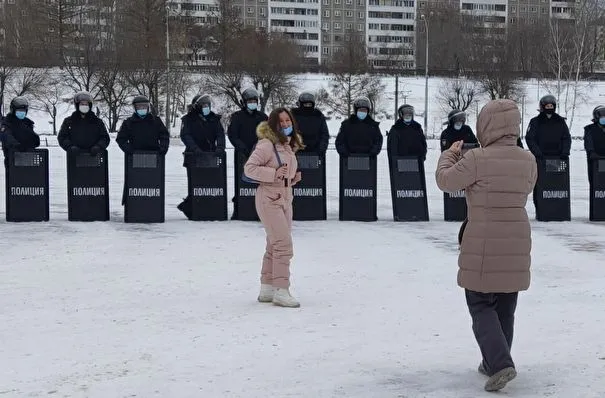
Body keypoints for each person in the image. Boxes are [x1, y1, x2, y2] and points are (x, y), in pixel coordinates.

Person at [435, 99, 537, 392]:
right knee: (506, 303)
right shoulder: (528, 159)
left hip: (483, 240)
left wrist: (448, 156)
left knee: (480, 303)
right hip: (517, 239)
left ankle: (500, 362)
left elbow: (446, 181)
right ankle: (493, 360)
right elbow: (527, 186)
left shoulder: (477, 158)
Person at [243, 107, 305, 308]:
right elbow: (249, 169)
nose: (286, 125)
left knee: (273, 244)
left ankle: (267, 288)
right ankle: (281, 289)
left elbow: (282, 173)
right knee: (283, 244)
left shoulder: (287, 145)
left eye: (288, 121)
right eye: (281, 122)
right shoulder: (266, 145)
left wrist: (292, 178)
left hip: (285, 198)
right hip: (269, 199)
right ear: (273, 124)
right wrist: (274, 174)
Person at [177, 94, 226, 218]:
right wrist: (195, 149)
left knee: (210, 183)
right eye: (204, 105)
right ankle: (191, 207)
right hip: (193, 156)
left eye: (208, 105)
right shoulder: (188, 119)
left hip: (211, 156)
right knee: (195, 185)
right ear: (197, 107)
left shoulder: (214, 119)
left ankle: (209, 207)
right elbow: (185, 135)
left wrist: (220, 147)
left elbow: (220, 134)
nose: (206, 108)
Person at [116, 95, 170, 205]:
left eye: (144, 106)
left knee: (152, 183)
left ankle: (151, 205)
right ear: (135, 108)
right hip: (135, 158)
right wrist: (129, 150)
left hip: (153, 158)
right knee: (136, 183)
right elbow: (121, 139)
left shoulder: (156, 121)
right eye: (139, 106)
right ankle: (133, 204)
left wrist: (163, 148)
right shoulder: (129, 122)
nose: (142, 109)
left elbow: (164, 135)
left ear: (148, 107)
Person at [227, 87, 269, 219]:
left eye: (254, 101)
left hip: (260, 155)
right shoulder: (237, 117)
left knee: (260, 184)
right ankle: (239, 208)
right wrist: (243, 148)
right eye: (250, 101)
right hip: (242, 154)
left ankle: (261, 209)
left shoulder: (263, 117)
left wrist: (260, 148)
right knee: (241, 183)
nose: (253, 103)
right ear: (244, 102)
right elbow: (233, 135)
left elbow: (268, 134)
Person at [525, 95, 571, 209]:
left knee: (556, 183)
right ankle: (541, 207)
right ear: (542, 107)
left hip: (558, 158)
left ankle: (556, 208)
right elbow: (530, 138)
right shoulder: (535, 121)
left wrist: (565, 152)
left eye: (551, 106)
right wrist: (537, 153)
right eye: (547, 106)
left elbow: (566, 138)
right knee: (541, 184)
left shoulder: (560, 121)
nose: (549, 108)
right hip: (541, 159)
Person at [58, 91, 110, 156]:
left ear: (89, 105)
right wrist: (70, 147)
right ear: (77, 105)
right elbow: (62, 137)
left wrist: (98, 146)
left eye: (86, 104)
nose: (84, 106)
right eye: (82, 104)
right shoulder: (69, 121)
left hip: (94, 157)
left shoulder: (97, 122)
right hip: (74, 157)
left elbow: (104, 137)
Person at [0, 96, 40, 167]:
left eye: (23, 111)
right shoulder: (7, 122)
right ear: (13, 110)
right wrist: (17, 145)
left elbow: (34, 138)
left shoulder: (27, 123)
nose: (22, 113)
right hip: (12, 159)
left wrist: (34, 141)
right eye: (19, 111)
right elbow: (6, 136)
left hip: (28, 159)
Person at [583, 105, 605, 190]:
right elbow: (588, 143)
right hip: (596, 160)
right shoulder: (590, 129)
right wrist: (592, 153)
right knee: (597, 183)